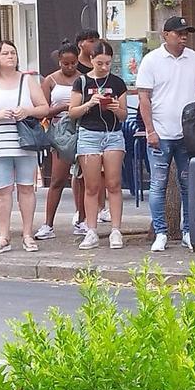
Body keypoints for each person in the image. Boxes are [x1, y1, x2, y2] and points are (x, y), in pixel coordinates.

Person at [136, 15, 195, 252]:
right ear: (165, 35)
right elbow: (143, 98)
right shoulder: (151, 61)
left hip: (188, 134)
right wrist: (150, 130)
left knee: (189, 183)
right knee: (158, 184)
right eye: (178, 33)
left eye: (185, 33)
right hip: (160, 131)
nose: (183, 38)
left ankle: (188, 230)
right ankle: (161, 232)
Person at [0, 41, 49, 254]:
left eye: (13, 52)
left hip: (25, 141)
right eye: (5, 53)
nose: (10, 56)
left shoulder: (28, 80)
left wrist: (27, 111)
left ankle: (27, 234)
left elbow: (44, 107)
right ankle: (4, 236)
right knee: (2, 190)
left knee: (26, 187)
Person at [70, 41, 129, 249]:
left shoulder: (118, 82)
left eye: (108, 63)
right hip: (89, 134)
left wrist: (114, 107)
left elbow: (124, 115)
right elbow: (72, 112)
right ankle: (91, 229)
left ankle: (115, 230)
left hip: (112, 134)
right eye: (100, 63)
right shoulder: (82, 82)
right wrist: (90, 103)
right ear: (92, 60)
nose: (104, 67)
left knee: (114, 184)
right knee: (91, 185)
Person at [33, 43, 85, 241]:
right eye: (65, 64)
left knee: (82, 178)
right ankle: (48, 223)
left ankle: (82, 218)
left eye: (73, 63)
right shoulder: (50, 80)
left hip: (80, 129)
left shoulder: (83, 79)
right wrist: (63, 108)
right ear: (59, 62)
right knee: (57, 179)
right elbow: (43, 109)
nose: (70, 67)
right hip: (60, 130)